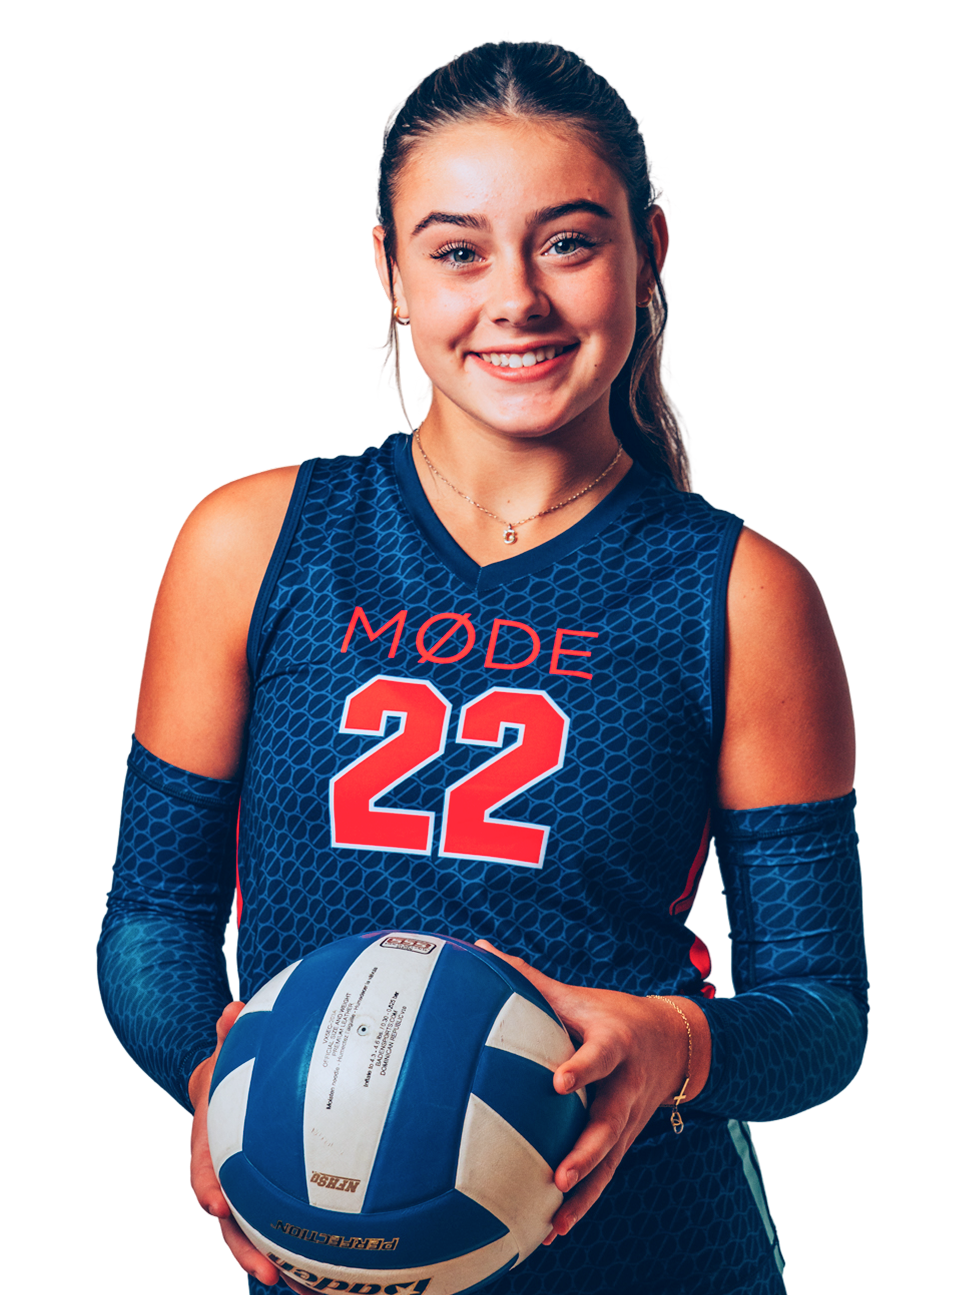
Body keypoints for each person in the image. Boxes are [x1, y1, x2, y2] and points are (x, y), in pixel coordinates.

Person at [95, 38, 869, 1295]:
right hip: (319, 1246)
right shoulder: (252, 539)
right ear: (387, 271)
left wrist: (672, 1038)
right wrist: (220, 1080)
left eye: (567, 241)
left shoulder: (740, 588)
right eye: (456, 250)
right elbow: (150, 916)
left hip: (645, 1256)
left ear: (648, 252)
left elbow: (819, 1019)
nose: (514, 298)